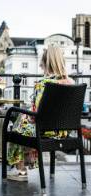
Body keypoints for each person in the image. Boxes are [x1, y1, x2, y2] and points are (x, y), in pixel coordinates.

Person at [7, 45, 74, 181]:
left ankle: (21, 171)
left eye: (42, 65)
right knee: (23, 123)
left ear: (47, 64)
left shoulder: (44, 84)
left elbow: (37, 113)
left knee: (18, 127)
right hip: (64, 131)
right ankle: (25, 167)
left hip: (43, 130)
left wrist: (26, 117)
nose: (40, 67)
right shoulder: (72, 83)